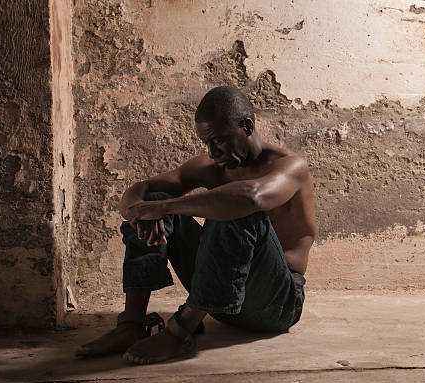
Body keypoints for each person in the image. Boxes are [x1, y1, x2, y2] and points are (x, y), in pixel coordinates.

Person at [75, 86, 317, 364]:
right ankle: (131, 325)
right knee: (155, 199)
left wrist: (162, 208)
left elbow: (252, 197)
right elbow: (141, 190)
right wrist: (142, 212)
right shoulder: (213, 166)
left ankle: (179, 332)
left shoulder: (290, 166)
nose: (213, 152)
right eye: (207, 143)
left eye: (220, 141)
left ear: (246, 126)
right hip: (221, 302)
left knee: (235, 208)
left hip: (275, 304)